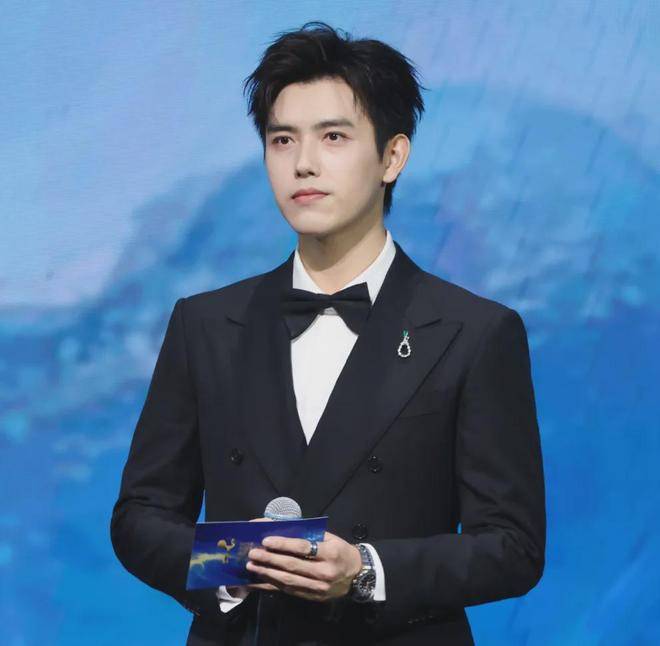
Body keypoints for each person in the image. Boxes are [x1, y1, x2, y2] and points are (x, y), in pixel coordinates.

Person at [110, 21, 546, 646]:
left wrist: (366, 570)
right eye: (282, 139)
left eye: (333, 137)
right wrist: (233, 564)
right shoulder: (205, 324)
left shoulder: (474, 332)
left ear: (392, 156)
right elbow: (140, 516)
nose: (303, 163)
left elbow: (512, 546)